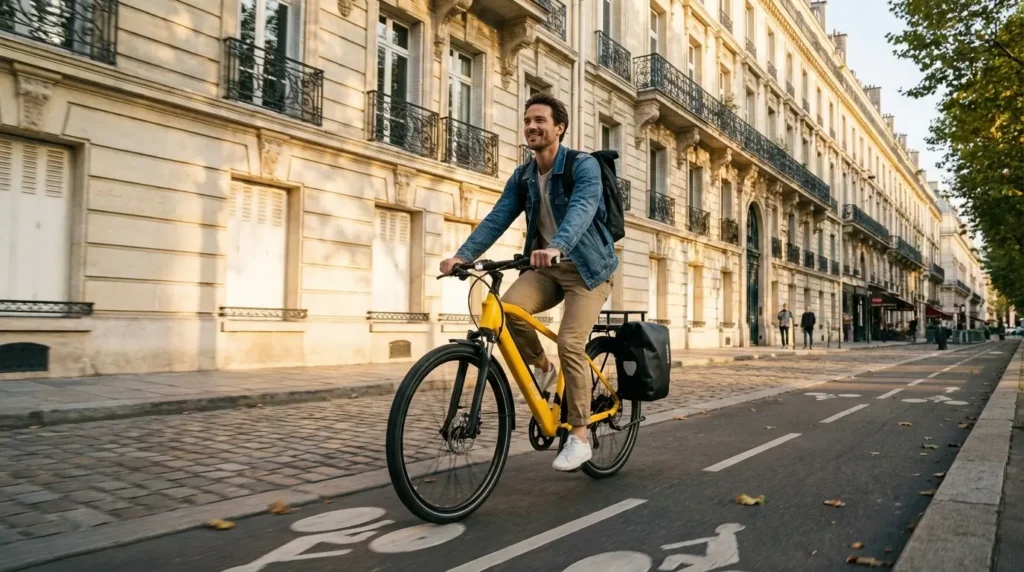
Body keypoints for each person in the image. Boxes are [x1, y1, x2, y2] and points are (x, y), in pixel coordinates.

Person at [439, 93, 616, 472]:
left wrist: (556, 246)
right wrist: (463, 255)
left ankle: (580, 436)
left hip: (588, 270)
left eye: (540, 120)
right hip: (548, 269)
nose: (531, 127)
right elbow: (497, 218)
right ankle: (543, 367)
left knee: (571, 342)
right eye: (527, 121)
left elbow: (583, 209)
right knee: (506, 311)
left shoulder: (582, 166)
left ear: (559, 128)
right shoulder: (523, 176)